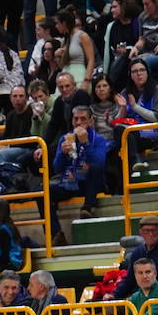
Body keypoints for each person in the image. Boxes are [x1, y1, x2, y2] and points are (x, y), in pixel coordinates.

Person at [48, 104, 108, 244]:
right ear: (72, 121)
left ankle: (88, 207)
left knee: (93, 168)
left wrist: (85, 143)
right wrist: (62, 154)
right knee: (42, 192)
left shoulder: (98, 139)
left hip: (92, 183)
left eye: (83, 119)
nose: (79, 123)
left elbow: (99, 164)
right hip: (70, 182)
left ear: (91, 121)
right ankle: (56, 233)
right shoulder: (65, 139)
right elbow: (57, 169)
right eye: (76, 119)